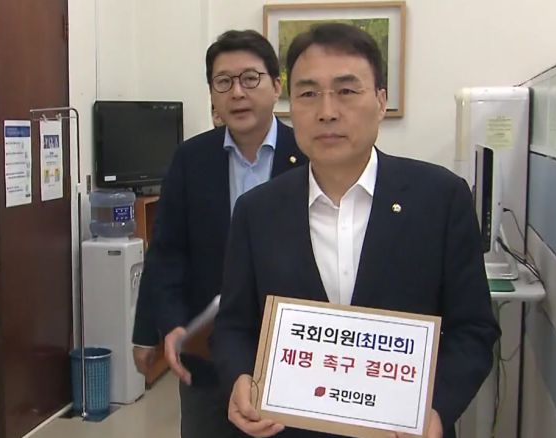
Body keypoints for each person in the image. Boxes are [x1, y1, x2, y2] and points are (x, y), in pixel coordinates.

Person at [212, 23, 500, 438]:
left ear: (381, 101)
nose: (327, 111)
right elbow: (235, 326)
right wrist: (239, 377)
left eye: (346, 90)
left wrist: (436, 409)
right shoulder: (257, 210)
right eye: (308, 94)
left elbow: (473, 328)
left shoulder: (441, 198)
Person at [132, 29, 307, 438]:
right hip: (207, 356)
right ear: (212, 93)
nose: (237, 92)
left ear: (276, 86)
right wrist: (162, 326)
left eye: (250, 78)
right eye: (223, 82)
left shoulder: (308, 154)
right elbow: (167, 252)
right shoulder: (191, 158)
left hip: (289, 355)